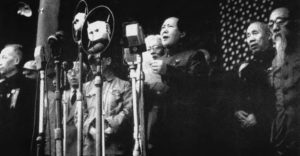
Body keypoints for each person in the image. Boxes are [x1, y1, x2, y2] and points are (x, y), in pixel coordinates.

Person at [150, 16, 210, 156]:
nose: (164, 30)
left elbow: (199, 85)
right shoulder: (157, 60)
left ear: (182, 33)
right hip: (161, 126)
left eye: (169, 26)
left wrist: (168, 71)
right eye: (162, 27)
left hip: (184, 126)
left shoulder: (193, 55)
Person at [234, 22, 275, 156]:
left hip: (274, 130)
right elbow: (243, 96)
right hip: (252, 136)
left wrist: (260, 117)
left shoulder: (279, 61)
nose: (250, 38)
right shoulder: (247, 69)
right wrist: (238, 110)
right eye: (247, 35)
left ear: (269, 35)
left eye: (255, 33)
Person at [82, 51, 133, 156]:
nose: (92, 65)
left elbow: (128, 110)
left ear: (108, 60)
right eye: (90, 62)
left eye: (95, 61)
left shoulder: (124, 85)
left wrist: (111, 127)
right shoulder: (86, 87)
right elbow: (79, 114)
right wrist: (91, 130)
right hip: (91, 145)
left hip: (114, 145)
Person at [268, 6, 300, 156]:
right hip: (283, 143)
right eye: (271, 24)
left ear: (294, 23)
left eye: (280, 22)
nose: (275, 28)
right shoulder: (275, 61)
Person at [0, 44, 37, 156]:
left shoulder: (28, 85)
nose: (0, 61)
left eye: (4, 57)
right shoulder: (1, 85)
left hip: (17, 146)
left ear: (16, 60)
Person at [143, 34, 168, 156]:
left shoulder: (168, 64)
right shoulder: (143, 65)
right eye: (148, 49)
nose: (152, 51)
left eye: (156, 47)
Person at [62, 61, 87, 156]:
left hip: (82, 144)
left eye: (77, 71)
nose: (73, 75)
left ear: (84, 74)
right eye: (69, 72)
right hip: (65, 145)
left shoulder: (88, 93)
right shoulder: (63, 95)